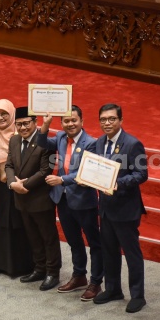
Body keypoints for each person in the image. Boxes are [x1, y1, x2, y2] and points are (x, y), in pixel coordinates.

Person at [37, 106, 103, 301]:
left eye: (74, 120)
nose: (70, 124)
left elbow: (87, 171)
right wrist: (46, 124)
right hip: (63, 199)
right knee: (74, 241)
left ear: (82, 121)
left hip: (84, 200)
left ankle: (96, 282)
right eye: (66, 121)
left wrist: (62, 180)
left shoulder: (91, 143)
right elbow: (41, 142)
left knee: (94, 243)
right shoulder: (59, 137)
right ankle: (79, 275)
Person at [93, 103, 148, 313]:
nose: (107, 123)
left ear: (121, 121)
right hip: (105, 208)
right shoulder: (99, 142)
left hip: (125, 209)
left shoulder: (133, 144)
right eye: (103, 119)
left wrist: (118, 184)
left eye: (111, 119)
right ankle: (113, 289)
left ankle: (138, 295)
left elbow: (142, 174)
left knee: (131, 254)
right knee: (109, 251)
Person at [6, 106, 60, 291]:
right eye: (19, 124)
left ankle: (53, 272)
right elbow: (9, 164)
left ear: (35, 123)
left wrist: (23, 186)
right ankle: (39, 268)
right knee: (33, 237)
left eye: (26, 123)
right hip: (21, 199)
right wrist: (13, 183)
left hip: (40, 198)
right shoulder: (13, 140)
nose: (22, 128)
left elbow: (46, 170)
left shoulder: (45, 141)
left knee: (48, 237)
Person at [0, 99, 33, 277]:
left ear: (12, 115)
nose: (0, 118)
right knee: (0, 222)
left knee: (19, 224)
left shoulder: (21, 134)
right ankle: (2, 262)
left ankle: (22, 264)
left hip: (19, 186)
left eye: (4, 114)